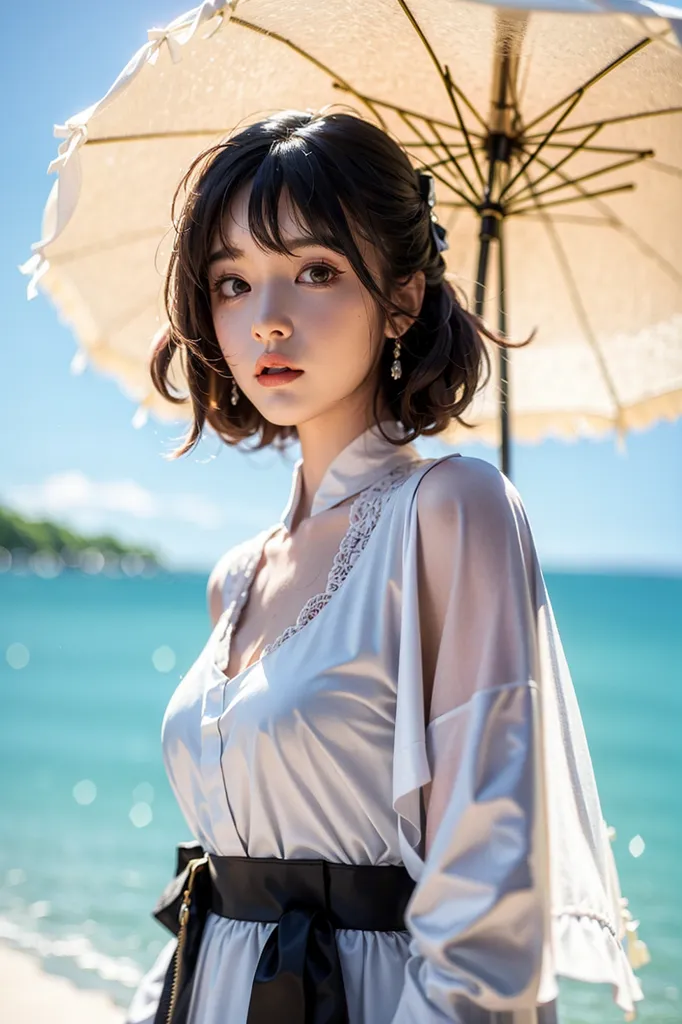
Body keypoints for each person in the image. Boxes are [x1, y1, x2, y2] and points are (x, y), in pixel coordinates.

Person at [126, 109, 644, 1024]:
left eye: (316, 271)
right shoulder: (235, 577)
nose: (269, 320)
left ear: (401, 298)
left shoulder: (454, 511)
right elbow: (224, 887)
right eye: (233, 281)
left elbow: (488, 892)